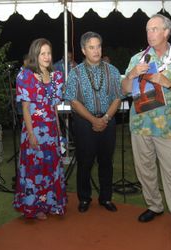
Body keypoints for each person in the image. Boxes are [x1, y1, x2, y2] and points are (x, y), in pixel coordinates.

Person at [121, 14, 171, 240]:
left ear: (167, 32)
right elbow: (125, 88)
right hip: (139, 126)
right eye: (148, 30)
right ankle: (154, 206)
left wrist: (168, 83)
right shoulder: (138, 58)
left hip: (167, 128)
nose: (150, 34)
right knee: (144, 171)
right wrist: (132, 74)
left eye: (155, 29)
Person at [64, 31, 122, 213]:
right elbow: (73, 100)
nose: (96, 51)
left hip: (108, 120)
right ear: (83, 50)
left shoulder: (112, 71)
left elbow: (118, 97)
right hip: (83, 122)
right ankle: (84, 198)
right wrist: (92, 120)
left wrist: (104, 119)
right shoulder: (75, 73)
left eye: (98, 46)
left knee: (106, 162)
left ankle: (106, 198)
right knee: (85, 162)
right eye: (91, 47)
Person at [13, 38, 67, 220]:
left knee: (51, 167)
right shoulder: (25, 76)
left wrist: (59, 131)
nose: (46, 57)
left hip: (51, 129)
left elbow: (53, 107)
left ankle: (52, 203)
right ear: (35, 55)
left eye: (49, 53)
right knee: (35, 170)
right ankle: (35, 206)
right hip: (34, 129)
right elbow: (26, 109)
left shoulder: (57, 76)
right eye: (42, 53)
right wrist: (30, 134)